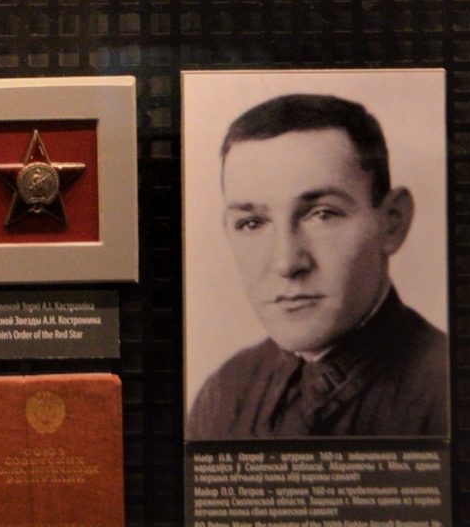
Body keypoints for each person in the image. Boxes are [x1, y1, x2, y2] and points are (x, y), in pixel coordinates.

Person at [188, 93, 449, 439]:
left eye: (323, 214)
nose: (287, 263)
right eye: (252, 223)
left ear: (391, 222)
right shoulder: (223, 394)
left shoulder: (450, 390)